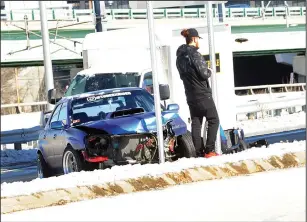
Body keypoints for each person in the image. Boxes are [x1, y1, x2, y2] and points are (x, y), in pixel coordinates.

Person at [176, 28, 220, 158]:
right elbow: (204, 73)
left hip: (190, 95)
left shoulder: (179, 58)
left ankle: (199, 152)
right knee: (214, 120)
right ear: (194, 39)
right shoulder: (195, 54)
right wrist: (210, 70)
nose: (198, 42)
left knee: (196, 123)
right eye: (198, 39)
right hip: (202, 94)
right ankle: (209, 150)